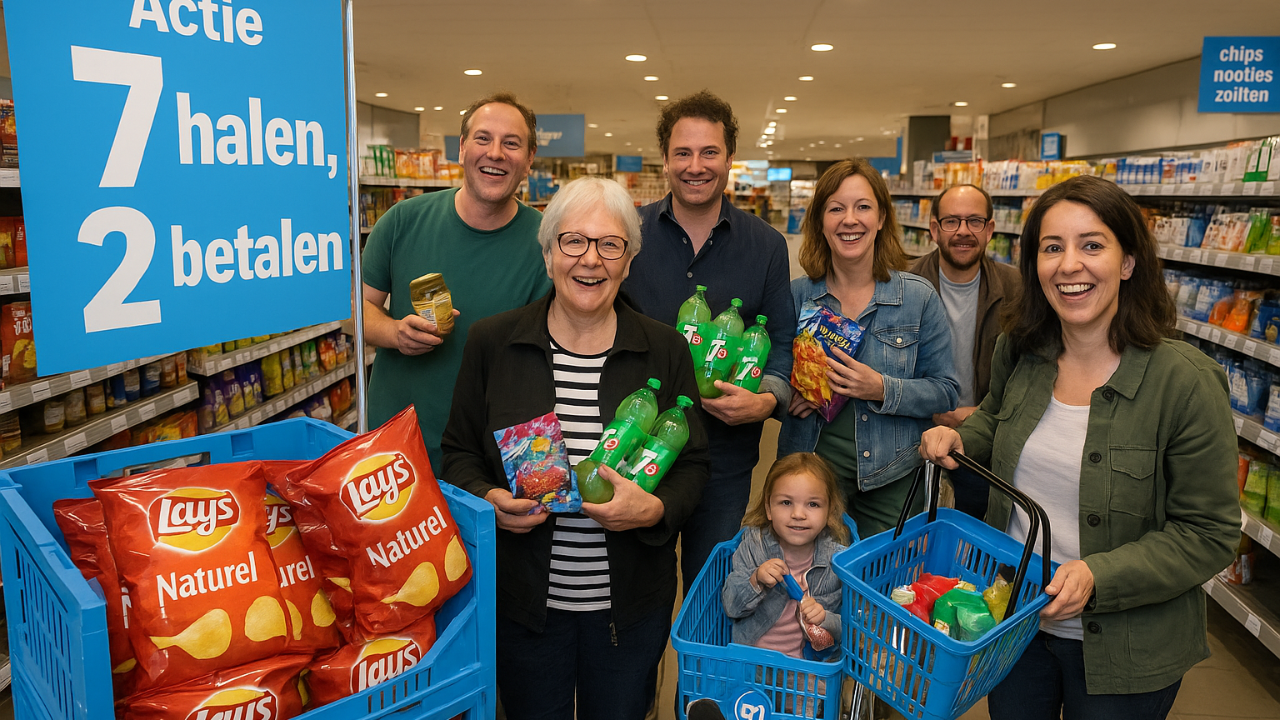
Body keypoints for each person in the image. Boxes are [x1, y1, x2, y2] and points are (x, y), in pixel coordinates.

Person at [919, 175, 1239, 720]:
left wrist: (1099, 575)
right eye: (1052, 247)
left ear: (1128, 261)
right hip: (1014, 622)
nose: (1069, 265)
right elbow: (996, 419)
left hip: (1128, 652)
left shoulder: (1184, 383)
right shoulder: (1020, 349)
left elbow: (1208, 534)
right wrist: (959, 438)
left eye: (1092, 245)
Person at [440, 177, 710, 720]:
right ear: (547, 255)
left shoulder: (664, 349)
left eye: (610, 244)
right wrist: (489, 497)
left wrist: (653, 508)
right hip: (523, 607)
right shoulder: (495, 343)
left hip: (628, 610)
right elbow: (457, 453)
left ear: (629, 260)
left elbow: (696, 463)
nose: (591, 260)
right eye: (573, 242)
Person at [623, 90, 796, 596]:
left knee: (711, 598)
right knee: (636, 599)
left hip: (723, 459)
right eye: (683, 153)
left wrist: (766, 399)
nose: (695, 166)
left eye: (709, 153)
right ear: (665, 160)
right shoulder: (626, 234)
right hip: (636, 447)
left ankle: (695, 680)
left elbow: (782, 340)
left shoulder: (765, 245)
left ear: (729, 159)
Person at [362, 92, 552, 472]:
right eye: (483, 138)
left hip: (490, 457)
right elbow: (355, 309)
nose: (495, 153)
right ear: (462, 148)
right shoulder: (403, 221)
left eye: (511, 143)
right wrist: (395, 332)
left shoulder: (547, 242)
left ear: (530, 160)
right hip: (395, 452)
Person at [777, 158, 959, 537]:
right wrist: (793, 390)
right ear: (820, 221)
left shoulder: (918, 298)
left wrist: (881, 388)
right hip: (812, 477)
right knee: (813, 585)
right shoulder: (795, 297)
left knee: (888, 583)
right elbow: (770, 375)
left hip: (894, 476)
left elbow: (946, 390)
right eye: (836, 208)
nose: (850, 219)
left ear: (881, 219)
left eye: (863, 207)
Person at [908, 184, 1021, 517]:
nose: (963, 232)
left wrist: (974, 415)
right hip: (916, 442)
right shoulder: (905, 285)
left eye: (974, 221)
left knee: (976, 546)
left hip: (987, 446)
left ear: (990, 230)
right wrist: (931, 409)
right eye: (951, 221)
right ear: (933, 229)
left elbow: (1031, 373)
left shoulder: (1018, 289)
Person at [722, 452, 849, 656]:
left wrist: (825, 618)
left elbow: (850, 628)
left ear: (829, 511)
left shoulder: (838, 562)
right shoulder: (755, 545)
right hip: (751, 664)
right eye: (786, 503)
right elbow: (731, 606)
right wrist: (756, 580)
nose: (798, 515)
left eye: (813, 504)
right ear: (768, 508)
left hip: (807, 671)